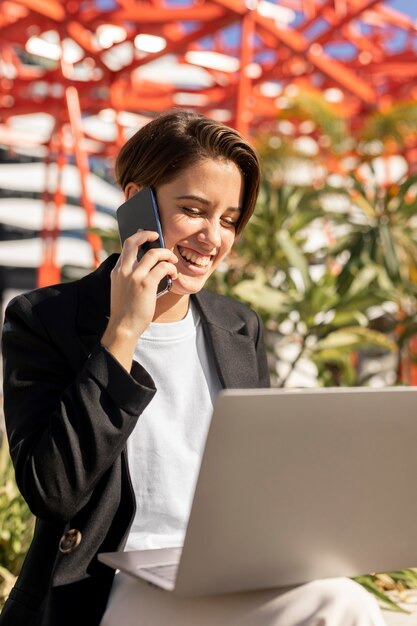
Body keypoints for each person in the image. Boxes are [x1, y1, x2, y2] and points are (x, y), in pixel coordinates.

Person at [0, 110, 386, 626]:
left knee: (345, 604)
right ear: (137, 201)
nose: (212, 237)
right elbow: (53, 491)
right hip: (109, 584)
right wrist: (122, 333)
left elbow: (258, 477)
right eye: (194, 210)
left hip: (224, 571)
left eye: (228, 220)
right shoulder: (44, 319)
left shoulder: (237, 326)